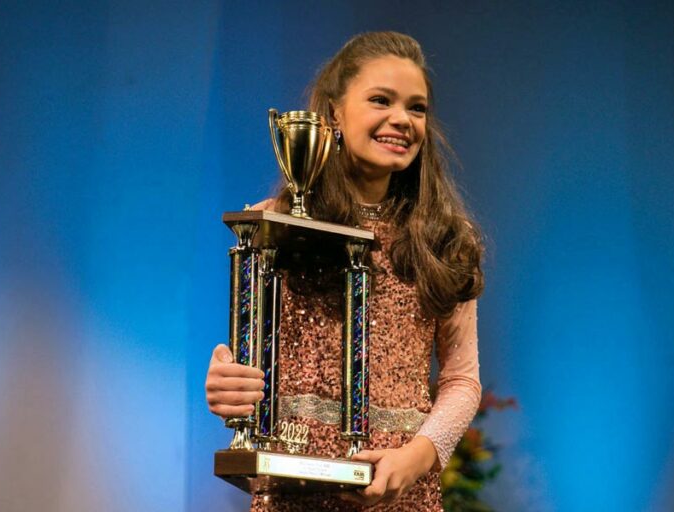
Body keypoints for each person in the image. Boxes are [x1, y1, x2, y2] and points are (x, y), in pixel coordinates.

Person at [205, 31, 484, 511]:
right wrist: (228, 383)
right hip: (294, 492)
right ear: (333, 112)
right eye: (381, 100)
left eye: (416, 108)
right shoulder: (278, 221)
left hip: (402, 493)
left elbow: (462, 380)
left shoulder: (446, 239)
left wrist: (418, 456)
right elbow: (249, 358)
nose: (401, 119)